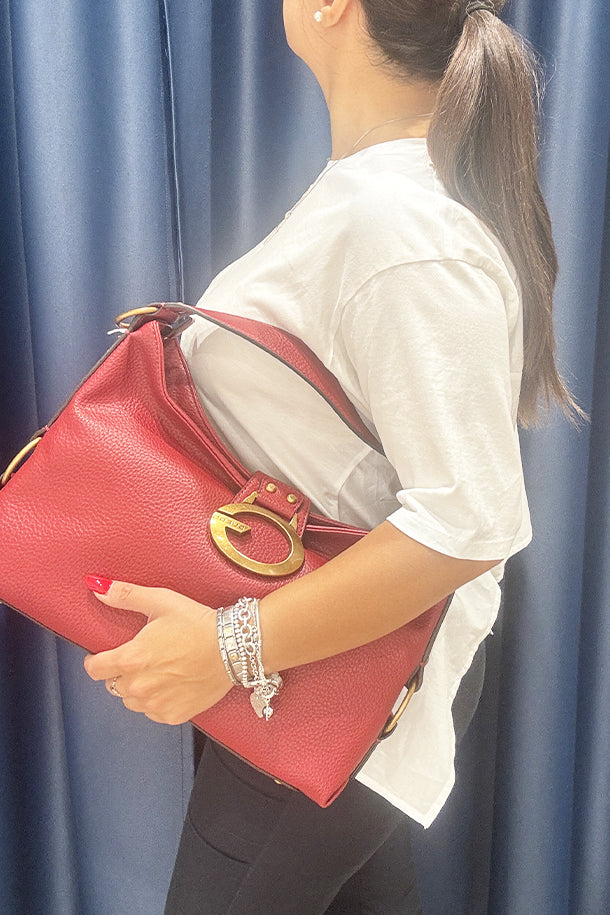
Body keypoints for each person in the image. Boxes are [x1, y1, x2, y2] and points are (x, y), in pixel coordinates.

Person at [83, 1, 578, 912]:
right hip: (306, 665)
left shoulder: (402, 228)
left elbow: (470, 524)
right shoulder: (375, 200)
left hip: (327, 679)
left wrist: (228, 647)